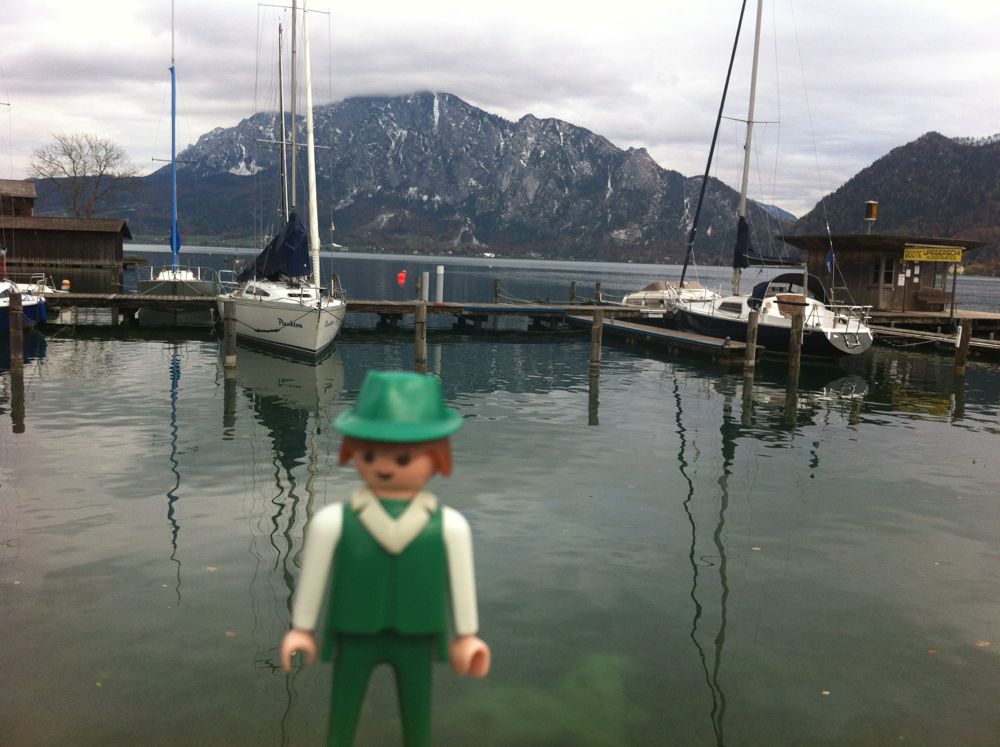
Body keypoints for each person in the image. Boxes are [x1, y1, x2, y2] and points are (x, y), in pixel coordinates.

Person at [281, 370, 490, 746]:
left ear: (437, 456)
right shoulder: (334, 522)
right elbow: (314, 576)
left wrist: (467, 636)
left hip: (417, 634)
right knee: (341, 720)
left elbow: (460, 582)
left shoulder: (449, 526)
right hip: (354, 632)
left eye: (405, 457)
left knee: (418, 721)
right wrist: (302, 628)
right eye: (369, 453)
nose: (385, 466)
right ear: (353, 451)